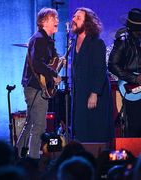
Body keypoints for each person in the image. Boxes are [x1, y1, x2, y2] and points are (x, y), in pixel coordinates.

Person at [17, 7, 61, 159]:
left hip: (36, 87)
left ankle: (17, 156)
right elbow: (37, 64)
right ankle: (34, 161)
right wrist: (54, 74)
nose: (57, 21)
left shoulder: (47, 40)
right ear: (43, 22)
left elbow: (52, 60)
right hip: (35, 88)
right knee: (39, 126)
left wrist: (59, 64)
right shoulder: (39, 39)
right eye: (53, 18)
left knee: (30, 124)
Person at [70, 7, 113, 142]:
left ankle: (97, 158)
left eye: (78, 18)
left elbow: (100, 69)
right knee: (81, 127)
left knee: (95, 128)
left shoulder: (96, 43)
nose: (74, 19)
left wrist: (94, 93)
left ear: (87, 23)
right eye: (74, 16)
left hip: (94, 92)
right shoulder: (73, 42)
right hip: (80, 92)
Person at [108, 8, 141, 137]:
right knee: (135, 125)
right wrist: (134, 78)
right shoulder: (123, 41)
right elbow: (112, 65)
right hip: (132, 88)